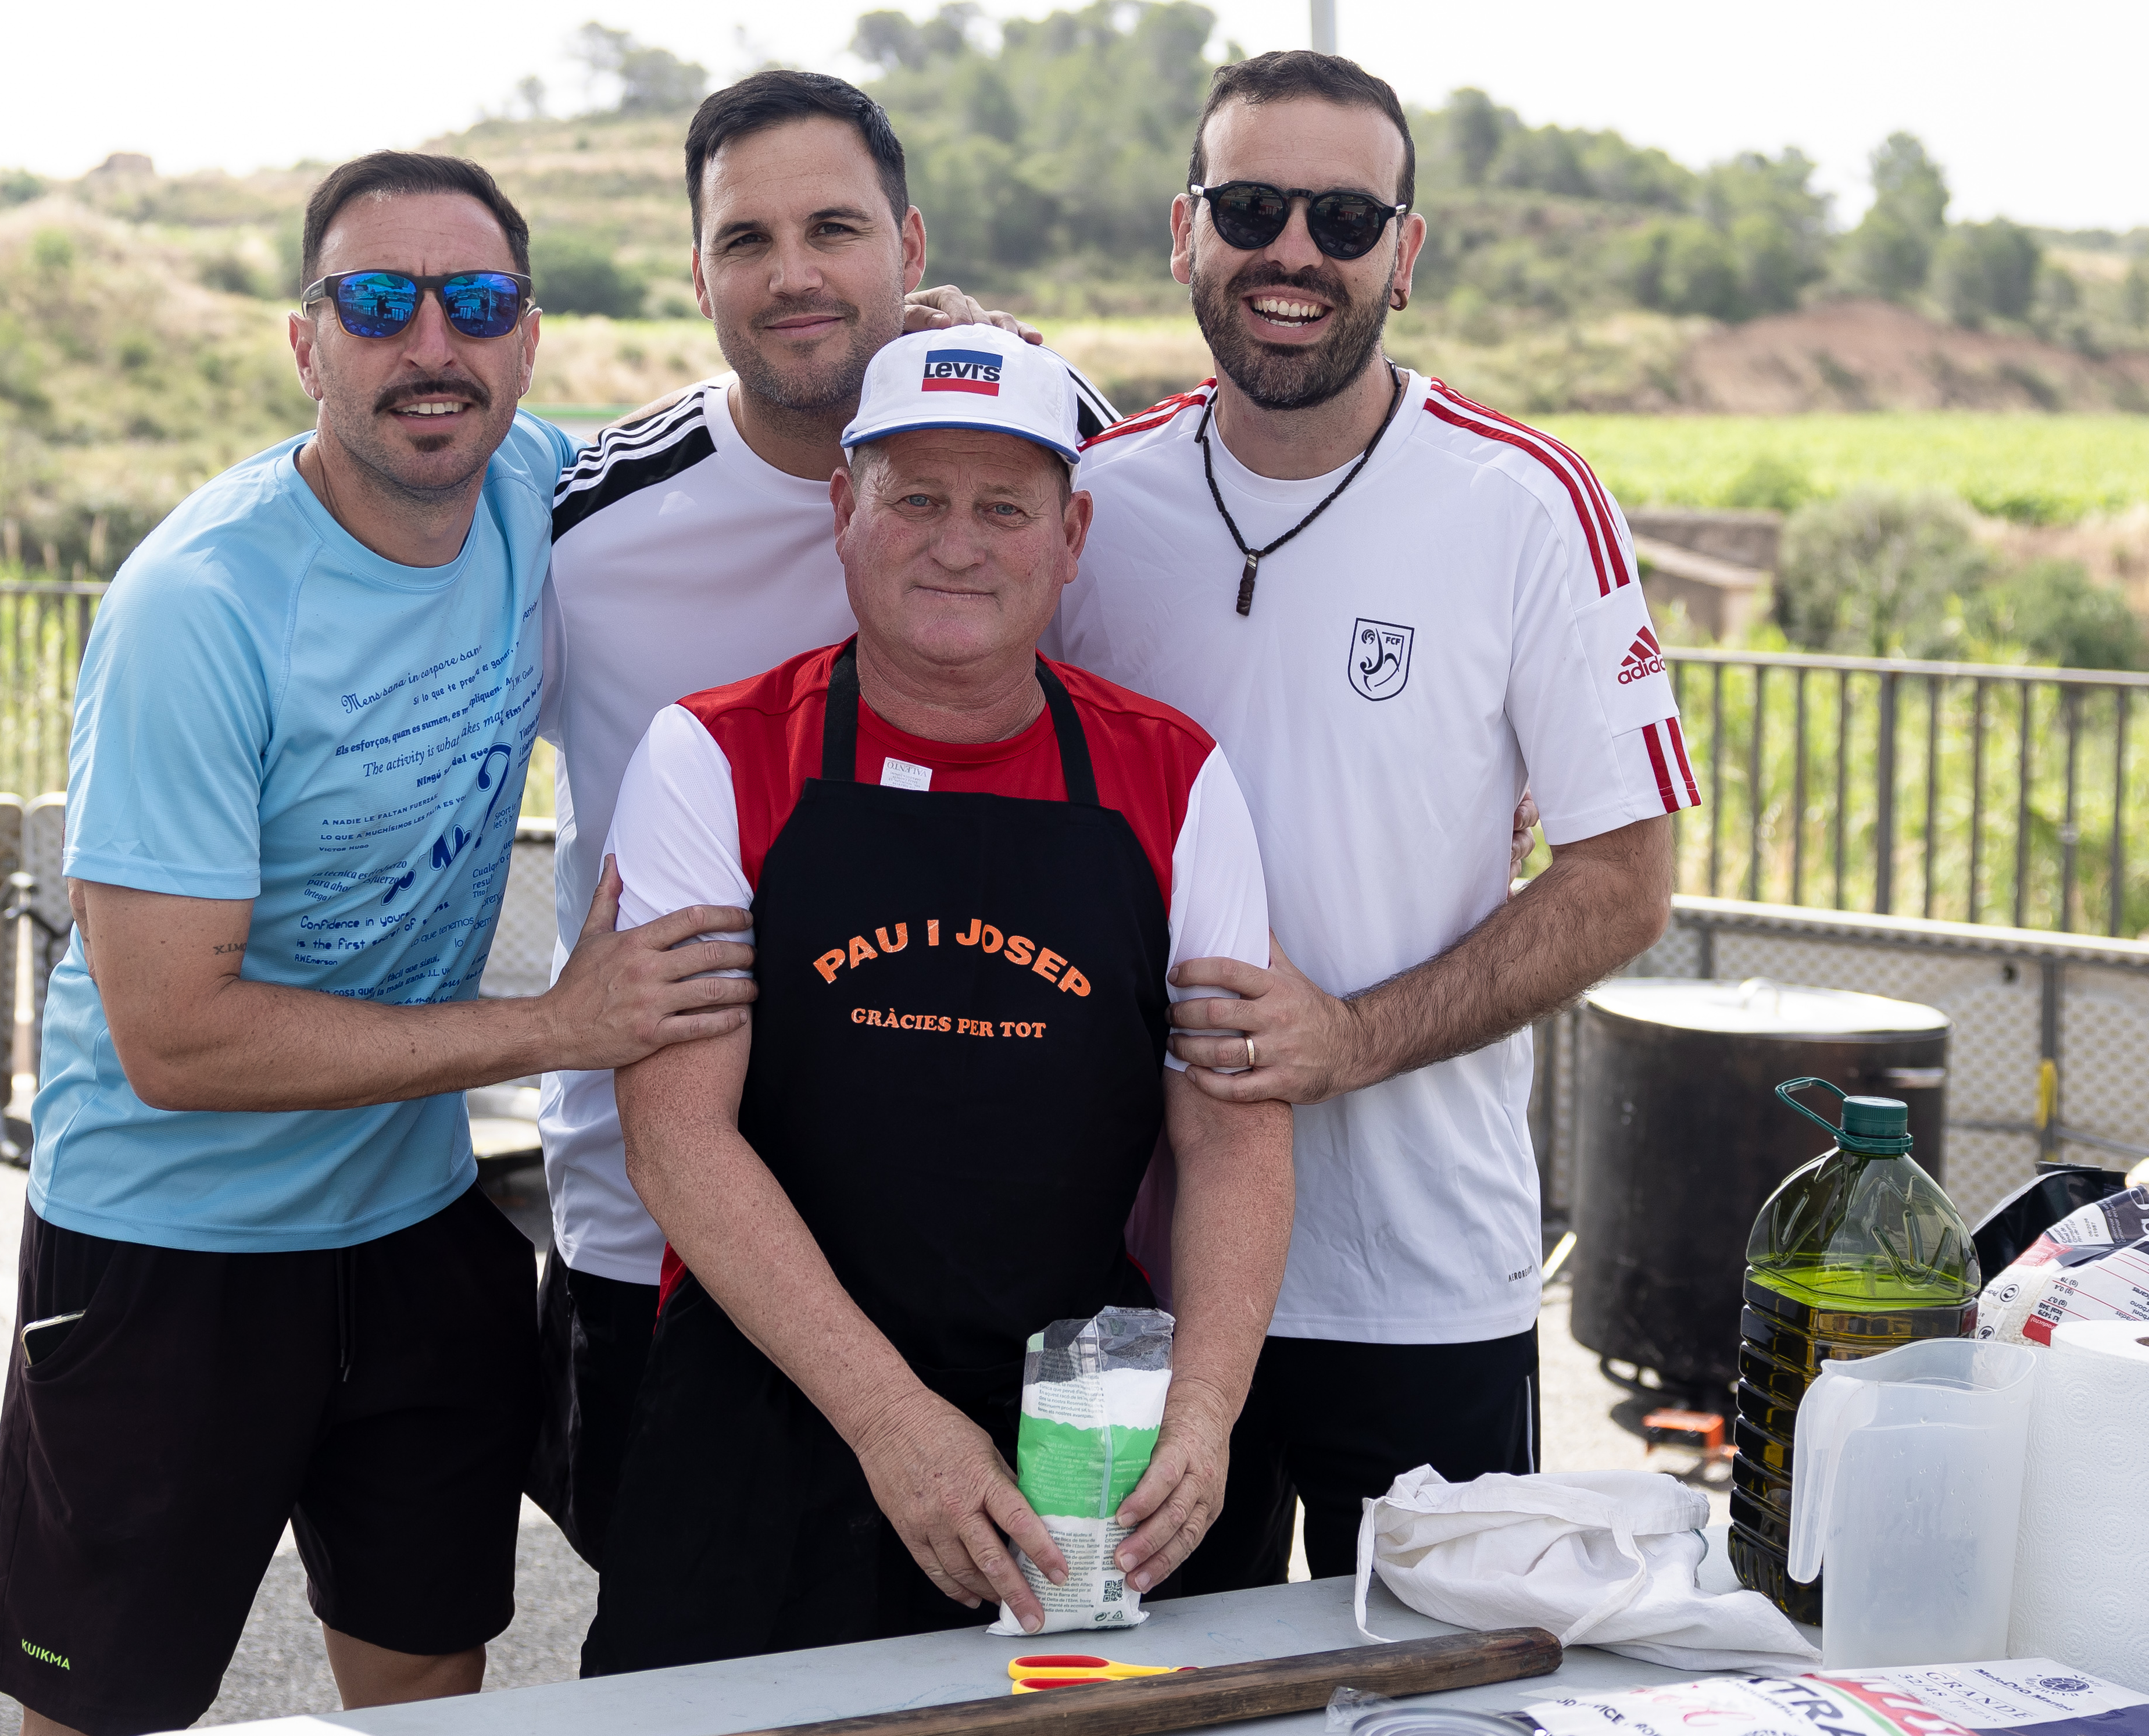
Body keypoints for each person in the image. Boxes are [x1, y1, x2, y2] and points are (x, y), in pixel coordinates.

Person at [0, 151, 756, 1736]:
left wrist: (911, 349)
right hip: (169, 1246)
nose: (431, 346)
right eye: (379, 303)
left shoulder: (542, 487)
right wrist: (555, 1026)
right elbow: (173, 1038)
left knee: (425, 1677)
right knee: (101, 1707)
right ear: (306, 341)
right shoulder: (200, 604)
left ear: (528, 339)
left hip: (410, 1227)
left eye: (477, 302)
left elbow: (742, 447)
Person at [1050, 51, 1698, 1589]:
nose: (1293, 252)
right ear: (1184, 229)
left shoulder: (1524, 501)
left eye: (1343, 220)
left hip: (1420, 1279)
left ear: (1404, 255)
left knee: (1430, 1684)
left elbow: (1624, 879)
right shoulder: (1089, 502)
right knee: (1122, 1682)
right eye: (1251, 208)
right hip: (1137, 1279)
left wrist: (1349, 1037)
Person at [575, 326, 1295, 1671]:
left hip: (1077, 1428)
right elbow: (676, 1135)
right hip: (772, 1401)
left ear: (1069, 537)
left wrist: (1201, 1409)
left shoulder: (1172, 775)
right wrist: (890, 1418)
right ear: (842, 513)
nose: (955, 544)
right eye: (914, 498)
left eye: (1002, 508)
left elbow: (1231, 1129)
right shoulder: (714, 754)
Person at [528, 68, 1120, 1569]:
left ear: (908, 247)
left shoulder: (1062, 454)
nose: (792, 273)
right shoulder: (586, 525)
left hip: (1009, 1239)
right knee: (689, 1659)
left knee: (1037, 1655)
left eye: (834, 229)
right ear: (698, 274)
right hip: (656, 1238)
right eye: (747, 239)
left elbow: (1193, 701)